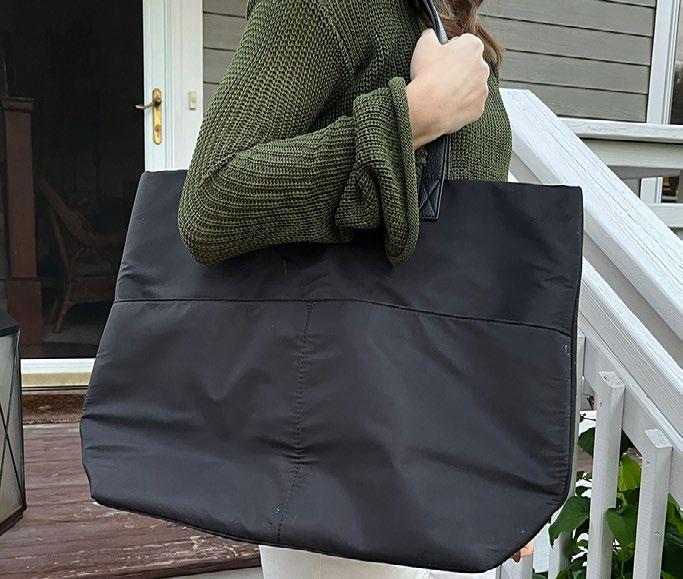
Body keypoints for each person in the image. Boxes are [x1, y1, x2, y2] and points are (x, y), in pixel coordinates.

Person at [178, 0, 533, 576]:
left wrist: (503, 451)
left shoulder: (454, 22)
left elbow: (471, 265)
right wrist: (411, 118)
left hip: (449, 433)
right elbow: (211, 202)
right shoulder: (324, 7)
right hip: (340, 442)